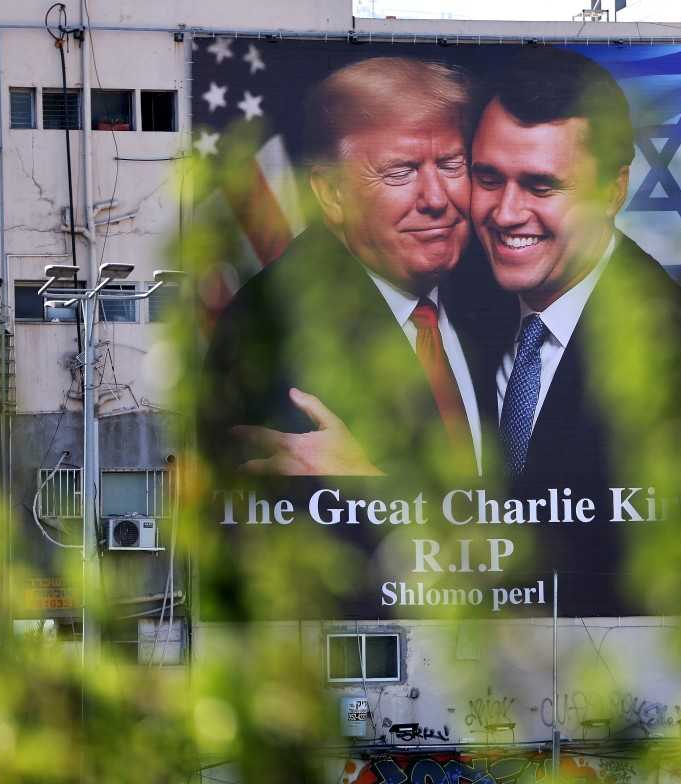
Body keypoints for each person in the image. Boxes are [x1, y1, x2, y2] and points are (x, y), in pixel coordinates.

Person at [201, 56, 493, 481]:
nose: (435, 197)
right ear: (332, 193)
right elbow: (282, 521)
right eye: (401, 171)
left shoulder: (503, 300)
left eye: (451, 165)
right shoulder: (274, 327)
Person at [468, 47, 681, 504]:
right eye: (487, 179)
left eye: (540, 186)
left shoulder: (677, 350)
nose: (505, 213)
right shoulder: (453, 306)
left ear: (613, 190)